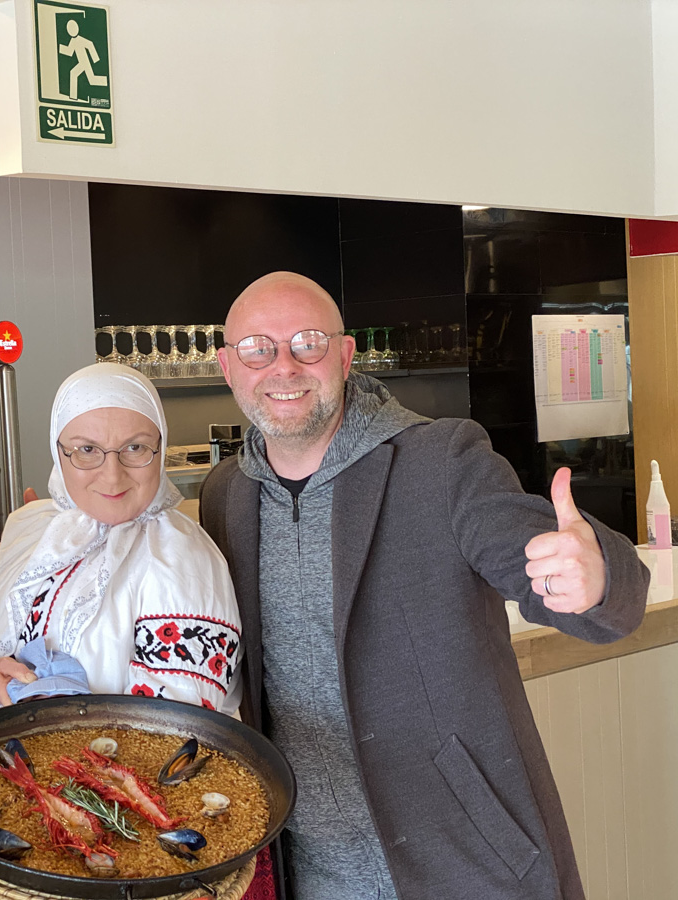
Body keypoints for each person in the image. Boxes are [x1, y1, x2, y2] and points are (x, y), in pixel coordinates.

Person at [200, 272, 648, 900]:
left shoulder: (442, 461)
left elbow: (542, 566)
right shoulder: (226, 494)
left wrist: (596, 576)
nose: (284, 366)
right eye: (258, 349)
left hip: (458, 858)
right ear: (227, 365)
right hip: (303, 864)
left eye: (308, 342)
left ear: (346, 354)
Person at [0, 362, 242, 722]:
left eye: (135, 447)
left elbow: (174, 732)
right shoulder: (32, 531)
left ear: (161, 449)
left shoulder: (182, 560)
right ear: (59, 454)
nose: (112, 475)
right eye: (86, 450)